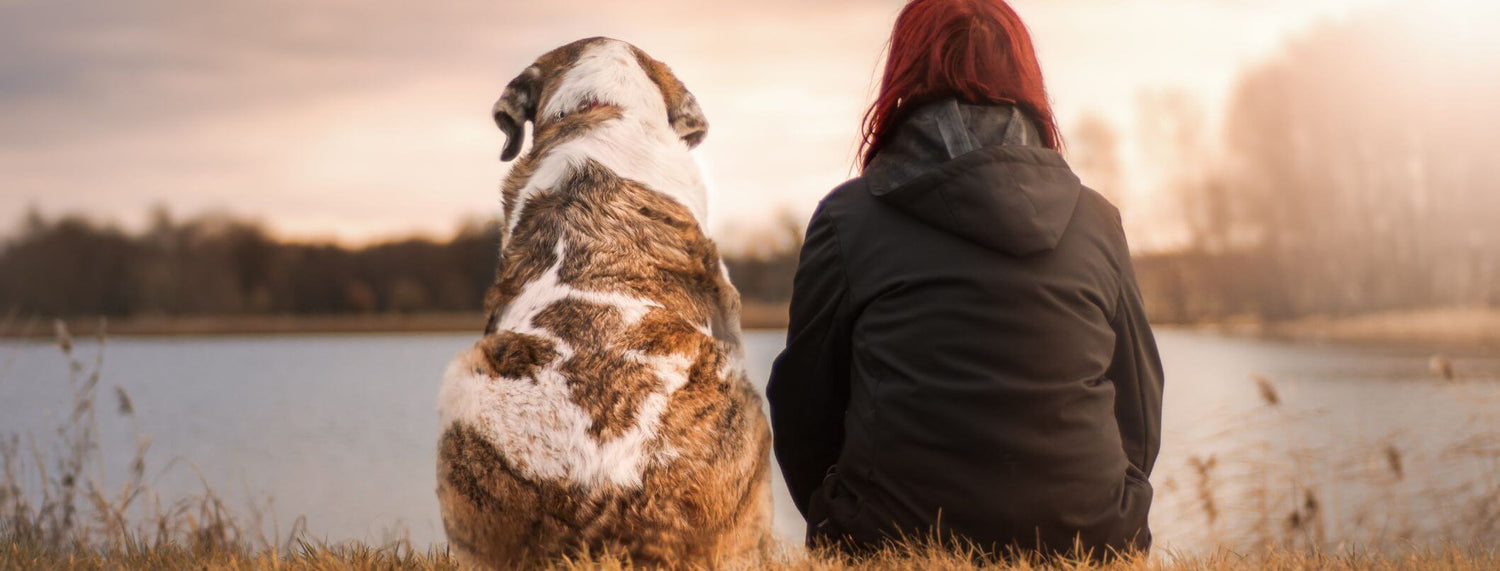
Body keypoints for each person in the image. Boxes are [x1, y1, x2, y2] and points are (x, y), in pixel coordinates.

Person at [766, 0, 1164, 560]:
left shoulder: (846, 219)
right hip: (1089, 545)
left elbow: (804, 405)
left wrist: (843, 518)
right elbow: (1141, 409)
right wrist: (1106, 512)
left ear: (904, 74)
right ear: (1026, 78)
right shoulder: (1097, 220)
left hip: (888, 544)